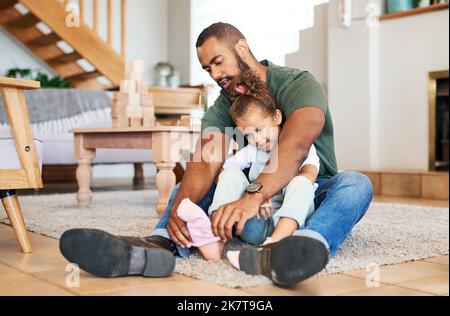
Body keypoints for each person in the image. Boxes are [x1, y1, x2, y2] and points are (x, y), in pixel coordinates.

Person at [60, 22, 373, 288]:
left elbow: (296, 147)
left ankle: (300, 248)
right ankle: (158, 246)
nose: (215, 74)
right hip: (253, 198)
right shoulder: (224, 105)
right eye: (207, 68)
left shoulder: (297, 83)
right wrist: (183, 207)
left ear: (241, 47)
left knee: (357, 185)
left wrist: (254, 194)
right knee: (194, 185)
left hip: (312, 190)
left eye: (218, 61)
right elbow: (207, 156)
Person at [177, 70, 320, 265]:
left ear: (277, 117)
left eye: (259, 130)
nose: (257, 140)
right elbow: (224, 172)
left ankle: (277, 243)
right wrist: (249, 197)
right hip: (257, 222)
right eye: (249, 135)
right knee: (232, 174)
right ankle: (215, 237)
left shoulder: (299, 145)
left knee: (302, 182)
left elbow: (310, 173)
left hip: (291, 221)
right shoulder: (253, 151)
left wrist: (266, 192)